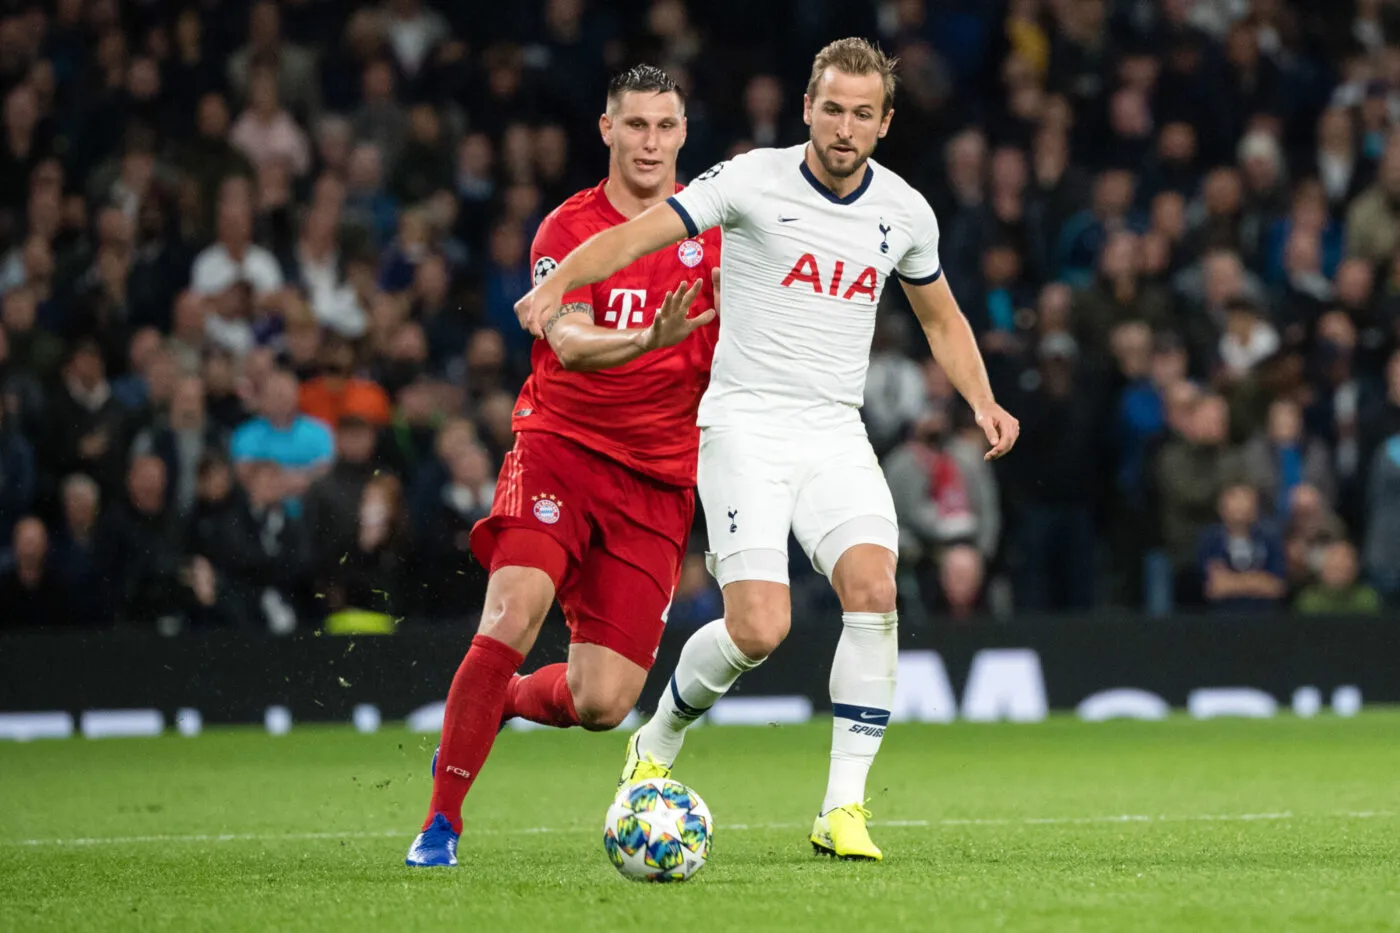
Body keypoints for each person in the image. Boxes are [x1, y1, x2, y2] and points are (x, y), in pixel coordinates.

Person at [515, 39, 1018, 861]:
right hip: (744, 427)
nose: (845, 127)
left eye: (862, 113)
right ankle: (657, 737)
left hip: (834, 431)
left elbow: (940, 317)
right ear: (808, 109)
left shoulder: (906, 211)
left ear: (885, 123)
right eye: (833, 109)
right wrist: (559, 282)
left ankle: (842, 809)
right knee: (758, 628)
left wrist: (983, 399)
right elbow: (639, 237)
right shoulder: (751, 179)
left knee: (874, 589)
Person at [406, 65, 721, 868]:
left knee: (603, 702)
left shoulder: (717, 232)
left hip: (657, 481)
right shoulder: (567, 230)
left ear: (684, 134)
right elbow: (570, 340)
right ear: (606, 129)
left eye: (665, 126)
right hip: (561, 449)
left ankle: (502, 701)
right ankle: (440, 824)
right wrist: (646, 338)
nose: (650, 141)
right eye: (635, 124)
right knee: (511, 615)